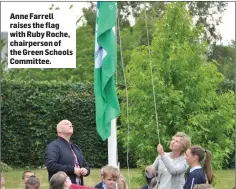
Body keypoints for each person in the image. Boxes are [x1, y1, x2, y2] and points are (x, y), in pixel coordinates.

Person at [45, 120, 90, 185]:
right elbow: (51, 165)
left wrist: (85, 170)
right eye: (67, 124)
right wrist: (73, 170)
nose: (70, 125)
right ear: (59, 129)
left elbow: (86, 165)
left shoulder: (75, 147)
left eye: (71, 124)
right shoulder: (53, 146)